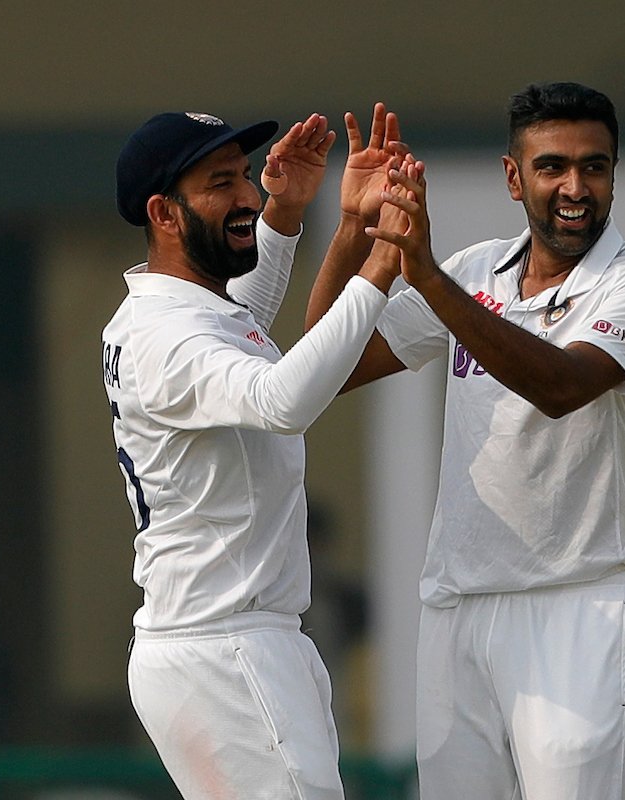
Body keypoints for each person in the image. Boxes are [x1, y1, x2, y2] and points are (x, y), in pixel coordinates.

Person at [307, 82, 625, 800]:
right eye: (552, 167)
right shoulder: (474, 270)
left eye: (595, 166)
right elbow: (323, 367)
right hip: (458, 606)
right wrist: (353, 233)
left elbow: (559, 386)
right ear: (514, 177)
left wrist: (424, 276)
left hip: (583, 605)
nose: (575, 187)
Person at [101, 106, 404, 799]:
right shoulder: (165, 337)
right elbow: (280, 400)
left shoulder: (175, 314)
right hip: (225, 646)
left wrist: (292, 214)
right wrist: (380, 265)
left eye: (244, 177)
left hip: (219, 641)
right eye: (219, 184)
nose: (245, 195)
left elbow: (242, 325)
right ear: (164, 213)